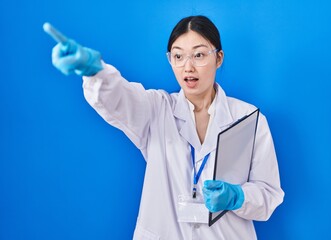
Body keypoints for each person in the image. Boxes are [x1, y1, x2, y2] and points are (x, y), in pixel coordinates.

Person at [44, 15, 284, 240]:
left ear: (218, 58)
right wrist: (94, 71)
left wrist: (238, 197)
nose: (187, 67)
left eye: (199, 55)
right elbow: (120, 97)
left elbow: (269, 195)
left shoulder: (248, 119)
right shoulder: (157, 109)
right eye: (178, 57)